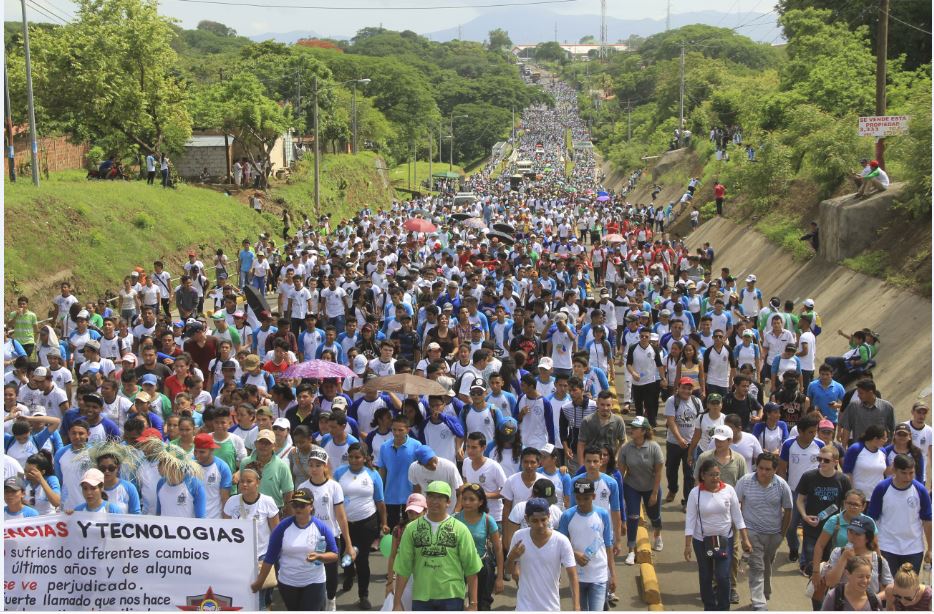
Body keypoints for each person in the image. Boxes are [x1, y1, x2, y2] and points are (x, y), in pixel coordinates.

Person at [392, 480, 482, 611]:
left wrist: (473, 604)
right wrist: (397, 603)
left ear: (448, 502)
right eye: (431, 496)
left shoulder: (460, 529)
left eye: (439, 497)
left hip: (452, 596)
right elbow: (403, 567)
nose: (434, 501)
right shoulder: (411, 529)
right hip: (421, 596)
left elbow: (471, 568)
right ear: (426, 500)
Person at [684, 458, 753, 611]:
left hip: (724, 541)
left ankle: (723, 607)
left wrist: (745, 539)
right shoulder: (695, 494)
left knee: (723, 576)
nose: (715, 478)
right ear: (703, 475)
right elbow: (690, 520)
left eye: (717, 474)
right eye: (711, 475)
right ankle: (709, 607)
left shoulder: (729, 490)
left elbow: (738, 516)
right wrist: (687, 545)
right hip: (701, 541)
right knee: (706, 575)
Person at [252, 488, 338, 611]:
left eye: (302, 505)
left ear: (311, 507)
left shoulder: (321, 527)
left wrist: (320, 557)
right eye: (295, 505)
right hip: (288, 582)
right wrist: (259, 582)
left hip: (314, 581)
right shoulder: (282, 527)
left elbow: (334, 555)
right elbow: (270, 557)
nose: (298, 508)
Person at [296, 446, 355, 611]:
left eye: (318, 465)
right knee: (311, 571)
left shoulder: (334, 487)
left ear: (325, 466)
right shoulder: (302, 487)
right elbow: (298, 514)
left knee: (331, 573)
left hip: (330, 537)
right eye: (311, 465)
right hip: (309, 537)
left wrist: (348, 544)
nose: (314, 469)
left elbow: (341, 517)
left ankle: (331, 600)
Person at [734, 452, 793, 611]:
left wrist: (782, 534)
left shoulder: (781, 485)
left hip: (774, 535)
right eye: (761, 468)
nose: (763, 472)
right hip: (752, 533)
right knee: (757, 566)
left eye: (768, 469)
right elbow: (735, 505)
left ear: (775, 470)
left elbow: (788, 510)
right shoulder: (745, 482)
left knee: (767, 563)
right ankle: (759, 603)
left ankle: (764, 593)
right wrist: (742, 532)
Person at [333, 442, 388, 610]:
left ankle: (363, 594)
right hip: (345, 524)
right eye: (351, 457)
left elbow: (380, 502)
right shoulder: (339, 473)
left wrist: (384, 523)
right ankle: (349, 575)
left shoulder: (373, 474)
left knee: (362, 559)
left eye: (358, 457)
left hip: (367, 523)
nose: (354, 460)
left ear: (365, 458)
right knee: (346, 555)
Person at [223, 461, 280, 611]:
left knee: (261, 600)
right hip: (238, 559)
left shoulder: (268, 502)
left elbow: (276, 532)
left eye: (249, 481)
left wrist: (273, 557)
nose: (244, 484)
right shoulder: (231, 502)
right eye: (242, 481)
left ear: (258, 483)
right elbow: (225, 532)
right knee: (243, 599)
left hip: (262, 559)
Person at [508, 497, 580, 612]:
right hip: (524, 607)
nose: (540, 525)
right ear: (526, 519)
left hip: (551, 608)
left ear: (549, 516)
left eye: (543, 519)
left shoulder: (561, 541)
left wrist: (576, 606)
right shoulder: (519, 537)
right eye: (535, 521)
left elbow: (573, 575)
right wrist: (511, 557)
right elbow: (508, 570)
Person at [867, 454, 932, 575]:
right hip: (886, 546)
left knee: (909, 588)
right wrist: (872, 544)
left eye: (911, 473)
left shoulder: (920, 490)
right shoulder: (882, 488)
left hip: (914, 548)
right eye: (903, 473)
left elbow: (927, 521)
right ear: (894, 470)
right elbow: (872, 519)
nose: (908, 477)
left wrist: (930, 548)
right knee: (888, 588)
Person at [558, 481, 615, 611]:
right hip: (577, 576)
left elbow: (608, 545)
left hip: (599, 575)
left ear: (594, 497)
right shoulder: (567, 516)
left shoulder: (603, 514)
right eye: (578, 498)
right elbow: (560, 545)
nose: (582, 502)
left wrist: (613, 575)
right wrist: (574, 554)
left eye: (586, 498)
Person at [618, 415, 664, 564]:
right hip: (632, 486)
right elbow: (621, 472)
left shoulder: (654, 447)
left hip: (651, 487)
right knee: (633, 516)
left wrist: (655, 493)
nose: (632, 430)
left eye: (636, 428)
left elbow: (658, 472)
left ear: (644, 431)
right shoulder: (626, 448)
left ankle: (657, 534)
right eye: (632, 427)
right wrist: (620, 493)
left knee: (654, 515)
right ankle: (631, 550)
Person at [454, 483, 505, 611]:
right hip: (458, 567)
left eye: (472, 499)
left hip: (482, 567)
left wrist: (499, 577)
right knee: (455, 603)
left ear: (481, 502)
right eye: (464, 498)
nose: (467, 502)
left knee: (482, 605)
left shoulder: (488, 520)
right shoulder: (455, 520)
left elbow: (498, 550)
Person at [821, 515, 893, 606]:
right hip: (841, 604)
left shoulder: (879, 561)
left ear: (867, 538)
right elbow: (830, 582)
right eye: (850, 531)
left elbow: (889, 588)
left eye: (858, 534)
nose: (852, 536)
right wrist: (843, 559)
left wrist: (873, 599)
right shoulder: (838, 553)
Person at [384, 493, 426, 611]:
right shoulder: (398, 530)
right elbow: (392, 556)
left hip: (426, 576)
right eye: (410, 512)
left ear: (425, 511)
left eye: (417, 512)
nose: (413, 516)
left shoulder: (432, 529)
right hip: (405, 577)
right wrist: (389, 583)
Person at [665, 377, 703, 508]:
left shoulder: (697, 402)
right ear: (678, 388)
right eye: (684, 388)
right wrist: (680, 439)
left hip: (691, 445)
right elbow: (671, 421)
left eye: (689, 388)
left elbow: (700, 423)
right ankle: (673, 489)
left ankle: (687, 501)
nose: (686, 391)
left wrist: (695, 442)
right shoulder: (672, 401)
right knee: (671, 469)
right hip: (674, 443)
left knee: (689, 473)